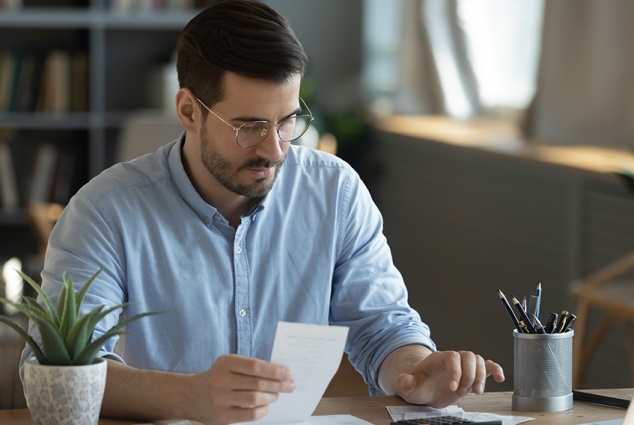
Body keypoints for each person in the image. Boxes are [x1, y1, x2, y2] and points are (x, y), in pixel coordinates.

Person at [20, 1, 504, 424]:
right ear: (189, 111)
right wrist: (189, 397)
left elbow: (381, 325)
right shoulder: (104, 211)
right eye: (249, 126)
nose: (274, 150)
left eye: (288, 120)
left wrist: (412, 369)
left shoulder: (335, 190)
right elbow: (54, 373)